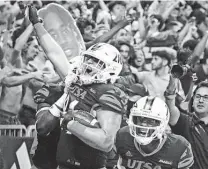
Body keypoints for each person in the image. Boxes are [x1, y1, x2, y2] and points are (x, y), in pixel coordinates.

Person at [28, 5, 128, 169]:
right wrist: (37, 24)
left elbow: (106, 142)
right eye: (88, 59)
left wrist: (72, 123)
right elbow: (54, 53)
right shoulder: (75, 80)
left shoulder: (110, 93)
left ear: (111, 68)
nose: (89, 65)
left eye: (96, 62)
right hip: (66, 162)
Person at [115, 96, 194, 169]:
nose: (143, 124)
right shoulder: (123, 136)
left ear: (163, 123)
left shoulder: (179, 146)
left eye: (151, 121)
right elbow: (110, 163)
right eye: (140, 119)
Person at [165, 75, 208, 169]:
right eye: (198, 97)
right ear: (192, 101)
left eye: (205, 97)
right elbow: (170, 107)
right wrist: (173, 82)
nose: (201, 100)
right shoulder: (185, 122)